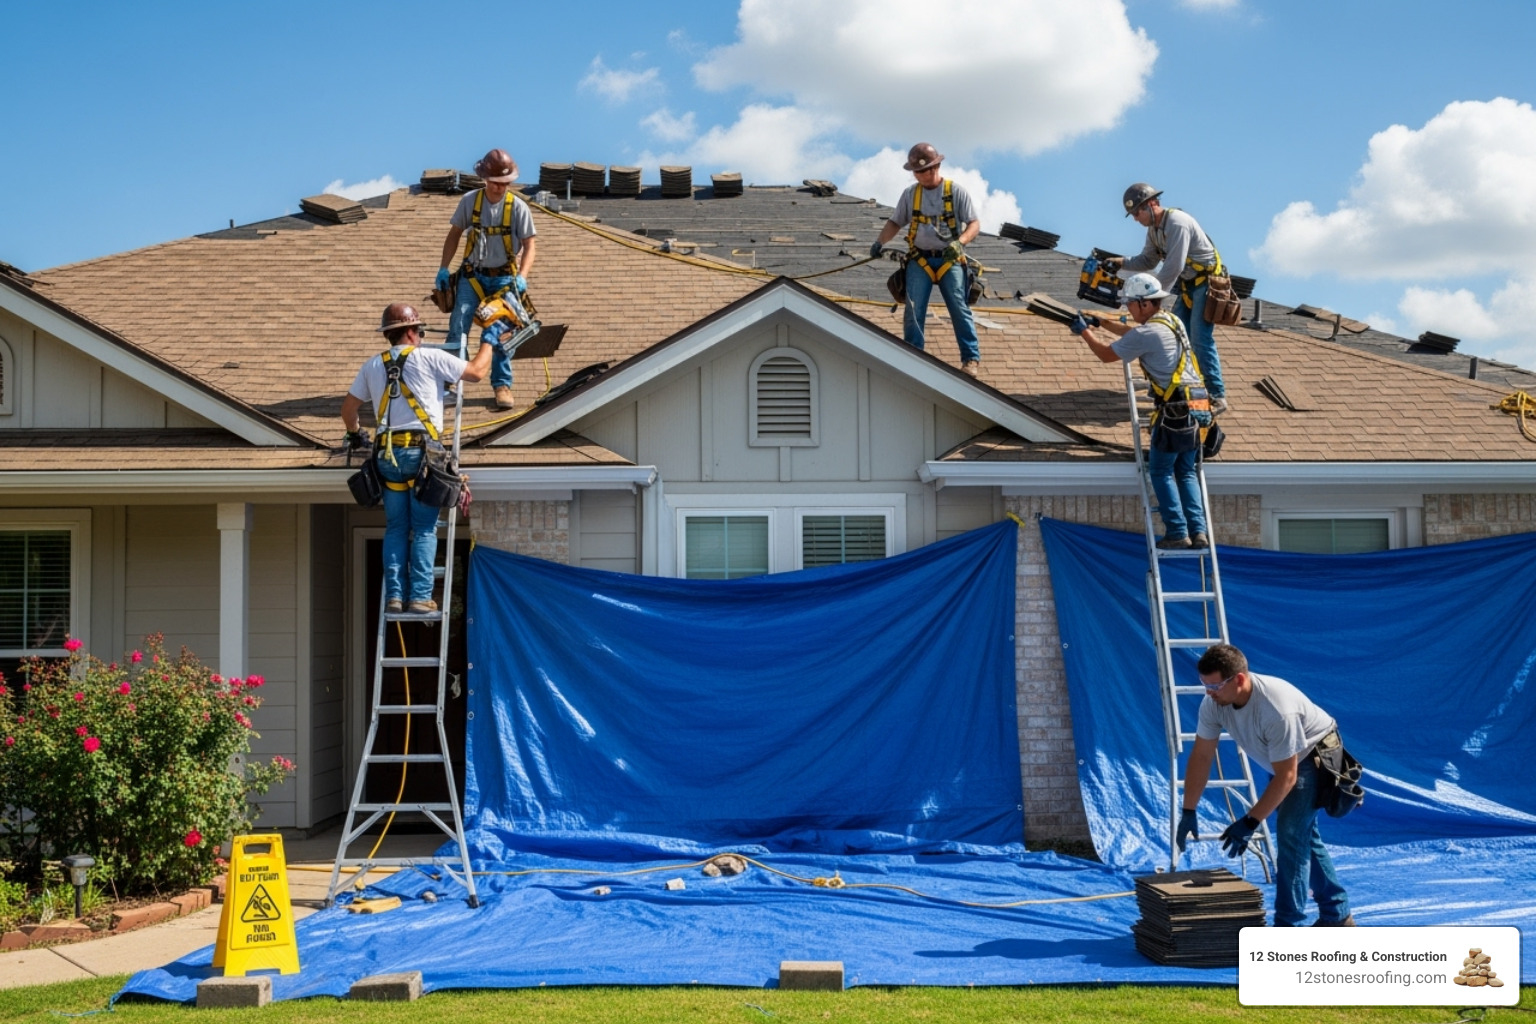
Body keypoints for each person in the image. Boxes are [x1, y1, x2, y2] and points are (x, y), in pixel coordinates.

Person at [1179, 643, 1355, 928]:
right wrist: (1188, 809)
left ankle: (1287, 927)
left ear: (1239, 679)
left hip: (1312, 755)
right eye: (1204, 685)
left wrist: (1249, 822)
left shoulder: (1276, 708)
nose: (1208, 693)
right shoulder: (1213, 703)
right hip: (1281, 758)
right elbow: (1201, 756)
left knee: (1290, 833)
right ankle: (1337, 915)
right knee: (1302, 836)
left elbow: (1288, 776)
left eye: (1215, 686)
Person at [342, 303, 495, 613]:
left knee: (396, 527)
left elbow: (348, 410)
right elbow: (477, 372)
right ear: (411, 332)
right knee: (424, 529)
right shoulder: (429, 357)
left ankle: (395, 597)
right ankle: (420, 596)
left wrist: (356, 433)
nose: (422, 337)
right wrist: (489, 338)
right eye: (420, 332)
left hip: (387, 456)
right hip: (423, 454)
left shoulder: (372, 366)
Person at [1072, 272, 1210, 549]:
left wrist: (1084, 332)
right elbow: (1134, 335)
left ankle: (1178, 532)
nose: (1128, 310)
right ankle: (1199, 532)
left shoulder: (1149, 333)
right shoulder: (1171, 321)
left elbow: (1106, 355)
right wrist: (1103, 323)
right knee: (1185, 472)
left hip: (1175, 412)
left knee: (1160, 471)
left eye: (1130, 305)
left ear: (1144, 304)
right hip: (1198, 406)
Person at [1105, 184, 1229, 414]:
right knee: (1176, 336)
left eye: (1136, 213)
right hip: (1189, 285)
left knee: (1199, 337)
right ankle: (1170, 388)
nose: (1135, 219)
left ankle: (1216, 396)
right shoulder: (1154, 230)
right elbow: (1148, 261)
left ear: (1151, 205)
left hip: (1207, 283)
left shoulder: (1177, 222)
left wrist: (1150, 300)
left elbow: (1173, 266)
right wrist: (1122, 262)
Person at [436, 148, 538, 410]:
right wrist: (444, 268)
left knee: (500, 333)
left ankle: (501, 384)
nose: (498, 187)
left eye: (504, 183)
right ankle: (451, 379)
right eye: (494, 182)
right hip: (473, 275)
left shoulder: (518, 207)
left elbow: (530, 246)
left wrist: (523, 276)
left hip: (504, 279)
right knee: (459, 324)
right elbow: (453, 235)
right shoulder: (470, 201)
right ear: (484, 179)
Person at [870, 143, 982, 376]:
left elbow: (974, 223)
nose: (918, 175)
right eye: (915, 172)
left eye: (922, 171)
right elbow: (895, 222)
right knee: (913, 308)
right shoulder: (911, 195)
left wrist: (959, 242)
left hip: (949, 260)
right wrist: (880, 242)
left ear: (935, 167)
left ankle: (970, 358)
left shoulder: (954, 192)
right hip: (920, 259)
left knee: (958, 306)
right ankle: (914, 356)